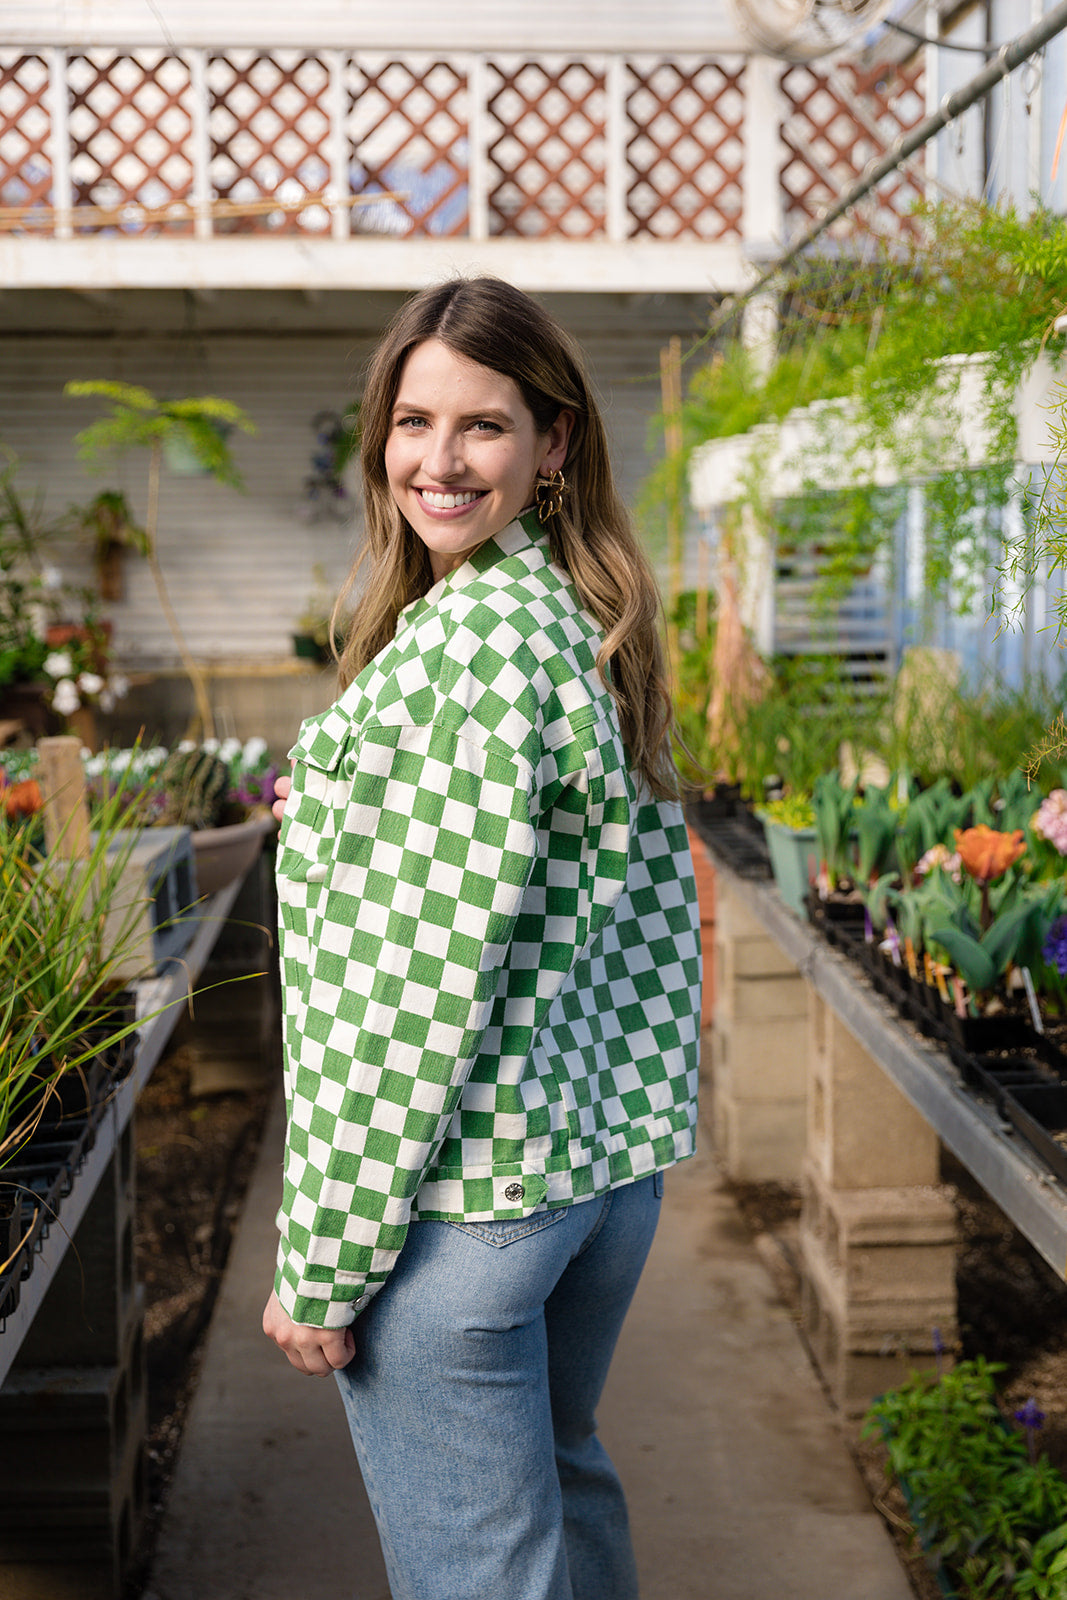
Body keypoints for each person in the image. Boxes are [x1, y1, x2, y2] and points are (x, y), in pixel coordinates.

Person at [263, 276, 702, 1600]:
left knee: (484, 1577)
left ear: (553, 443)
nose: (438, 461)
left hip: (467, 1202)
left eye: (485, 426)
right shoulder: (577, 617)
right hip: (595, 1177)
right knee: (562, 1501)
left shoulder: (470, 654)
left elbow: (408, 994)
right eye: (413, 421)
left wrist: (324, 1260)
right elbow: (638, 918)